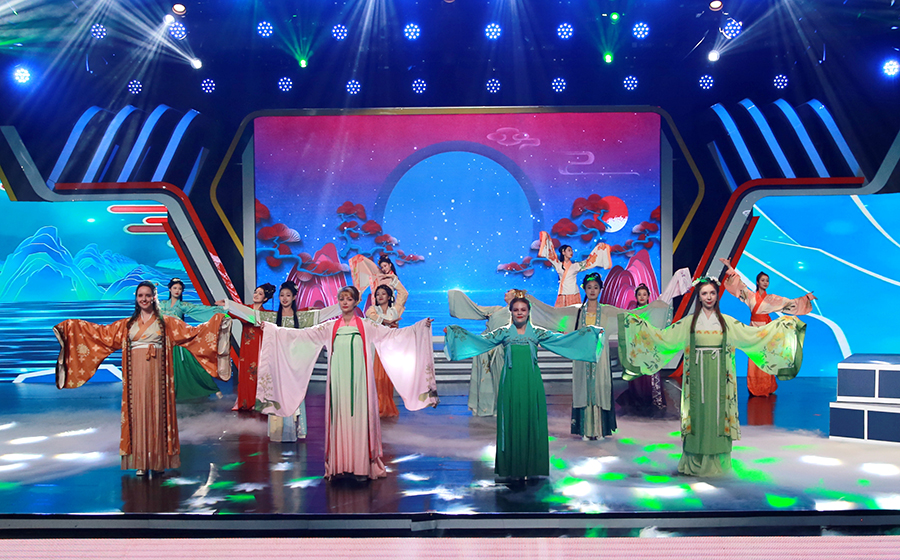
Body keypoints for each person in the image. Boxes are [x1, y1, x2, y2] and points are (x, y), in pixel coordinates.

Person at [617, 277, 806, 476]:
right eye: (704, 293)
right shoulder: (689, 322)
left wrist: (784, 325)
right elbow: (663, 338)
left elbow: (753, 335)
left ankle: (718, 463)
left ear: (717, 295)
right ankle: (695, 461)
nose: (709, 297)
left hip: (720, 377)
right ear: (699, 297)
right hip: (696, 378)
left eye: (712, 293)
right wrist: (635, 326)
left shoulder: (727, 322)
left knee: (718, 415)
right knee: (697, 416)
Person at [256, 286, 437, 480]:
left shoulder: (366, 325)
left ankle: (361, 466)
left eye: (349, 299)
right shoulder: (330, 327)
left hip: (360, 382)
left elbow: (393, 335)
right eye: (342, 299)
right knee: (339, 419)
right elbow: (301, 335)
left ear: (356, 302)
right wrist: (273, 330)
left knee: (360, 420)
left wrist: (420, 327)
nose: (345, 302)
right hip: (338, 382)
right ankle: (339, 465)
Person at [53, 281, 232, 476]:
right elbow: (101, 334)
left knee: (158, 414)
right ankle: (140, 460)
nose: (144, 299)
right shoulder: (127, 325)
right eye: (140, 296)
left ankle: (158, 460)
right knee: (137, 415)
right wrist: (70, 328)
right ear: (136, 299)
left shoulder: (167, 323)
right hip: (135, 375)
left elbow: (193, 334)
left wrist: (218, 322)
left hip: (159, 376)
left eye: (148, 295)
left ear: (154, 297)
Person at [444, 294, 603, 480]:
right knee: (511, 422)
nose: (520, 313)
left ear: (529, 312)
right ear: (511, 312)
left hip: (531, 382)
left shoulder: (536, 333)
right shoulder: (503, 333)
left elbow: (561, 341)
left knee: (531, 421)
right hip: (510, 383)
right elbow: (481, 341)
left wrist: (592, 335)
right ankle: (512, 466)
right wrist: (453, 334)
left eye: (523, 310)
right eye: (516, 310)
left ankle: (532, 465)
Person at [223, 281, 339, 442]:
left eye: (288, 295)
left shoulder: (301, 317)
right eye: (282, 295)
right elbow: (250, 314)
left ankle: (295, 430)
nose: (284, 298)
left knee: (294, 394)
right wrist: (229, 305)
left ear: (294, 297)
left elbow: (322, 315)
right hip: (277, 363)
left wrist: (343, 305)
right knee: (276, 394)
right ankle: (277, 431)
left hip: (294, 363)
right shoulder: (271, 317)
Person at [719, 258, 816, 397]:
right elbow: (738, 286)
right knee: (754, 358)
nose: (765, 282)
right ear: (757, 282)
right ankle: (754, 386)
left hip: (766, 330)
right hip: (753, 330)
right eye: (763, 280)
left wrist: (807, 298)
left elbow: (789, 303)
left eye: (767, 281)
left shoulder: (772, 299)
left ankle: (767, 386)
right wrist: (729, 267)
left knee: (766, 358)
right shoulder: (750, 296)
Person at [616, 269, 693, 416]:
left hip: (650, 348)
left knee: (651, 376)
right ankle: (638, 402)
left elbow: (666, 297)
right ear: (636, 297)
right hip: (637, 350)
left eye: (644, 294)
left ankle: (654, 402)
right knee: (638, 378)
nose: (642, 297)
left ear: (648, 296)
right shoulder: (632, 312)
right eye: (639, 294)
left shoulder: (653, 309)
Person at [447, 289, 517, 417]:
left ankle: (501, 408)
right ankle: (485, 407)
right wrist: (457, 296)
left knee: (499, 378)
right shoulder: (497, 309)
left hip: (501, 348)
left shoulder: (518, 312)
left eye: (509, 291)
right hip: (485, 345)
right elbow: (477, 309)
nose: (505, 292)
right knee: (485, 377)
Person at [160, 278, 226, 401]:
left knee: (194, 364)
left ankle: (213, 388)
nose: (177, 290)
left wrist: (223, 309)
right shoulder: (162, 304)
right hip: (165, 340)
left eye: (180, 289)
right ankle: (168, 393)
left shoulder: (183, 305)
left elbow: (201, 309)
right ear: (169, 289)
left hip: (179, 339)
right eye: (175, 288)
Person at [537, 231, 612, 306]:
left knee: (574, 312)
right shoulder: (558, 265)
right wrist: (545, 237)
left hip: (574, 294)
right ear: (563, 252)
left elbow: (588, 262)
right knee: (560, 312)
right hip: (562, 294)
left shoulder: (575, 266)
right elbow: (551, 255)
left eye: (571, 250)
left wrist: (600, 249)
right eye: (569, 250)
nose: (571, 252)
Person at [366, 284, 402, 417]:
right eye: (377, 294)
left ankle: (386, 406)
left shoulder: (394, 312)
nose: (380, 296)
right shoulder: (372, 310)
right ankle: (376, 407)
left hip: (389, 347)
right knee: (376, 377)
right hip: (375, 347)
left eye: (383, 294)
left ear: (389, 296)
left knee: (387, 378)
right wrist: (386, 322)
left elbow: (395, 330)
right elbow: (371, 317)